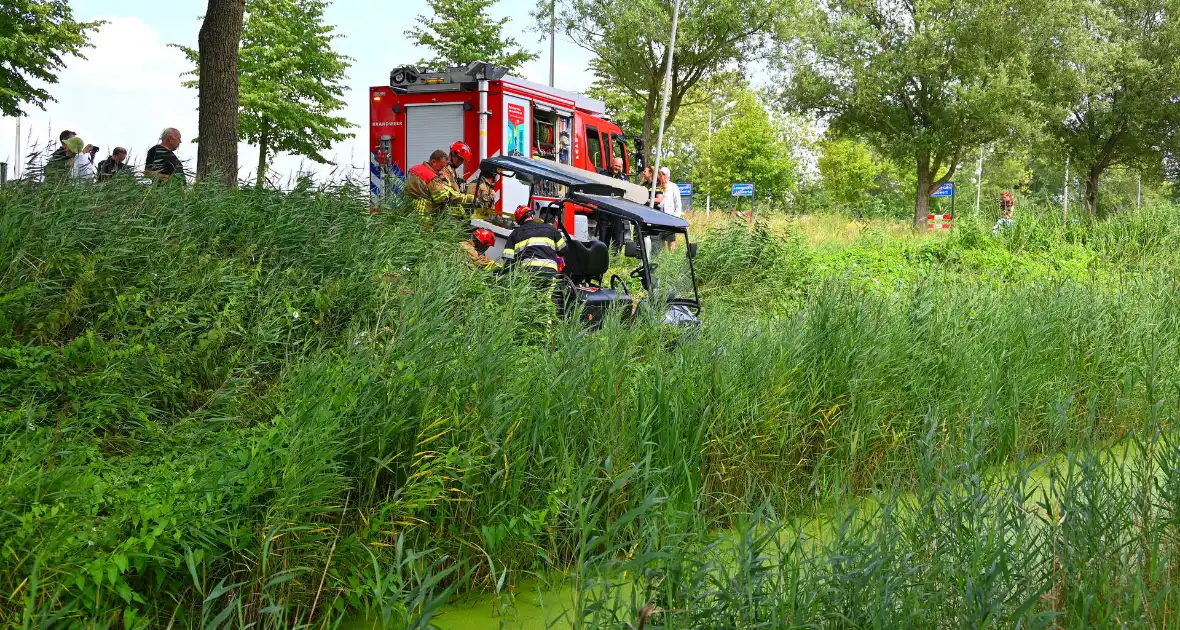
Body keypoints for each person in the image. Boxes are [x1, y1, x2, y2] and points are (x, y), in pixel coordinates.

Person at [406, 149, 473, 223]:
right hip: (424, 213)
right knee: (425, 234)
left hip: (410, 210)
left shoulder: (414, 169)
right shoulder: (431, 177)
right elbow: (446, 196)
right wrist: (471, 199)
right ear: (433, 162)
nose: (441, 170)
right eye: (441, 166)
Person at [595, 156, 629, 253]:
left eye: (619, 166)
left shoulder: (624, 178)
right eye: (615, 165)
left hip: (617, 211)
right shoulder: (603, 174)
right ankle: (602, 256)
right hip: (604, 210)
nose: (617, 168)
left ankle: (615, 259)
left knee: (617, 237)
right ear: (612, 164)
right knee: (603, 236)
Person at [441, 141, 473, 218]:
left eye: (462, 160)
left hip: (452, 213)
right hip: (445, 214)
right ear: (452, 155)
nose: (461, 162)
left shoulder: (453, 170)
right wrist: (470, 199)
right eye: (459, 159)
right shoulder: (444, 170)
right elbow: (449, 194)